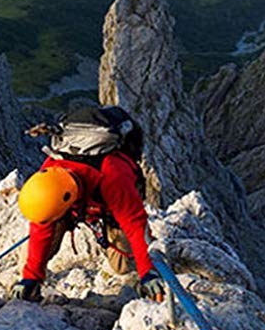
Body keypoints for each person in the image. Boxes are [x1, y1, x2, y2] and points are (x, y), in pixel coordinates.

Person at [10, 106, 165, 304]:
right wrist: (31, 277)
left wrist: (147, 272)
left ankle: (127, 260)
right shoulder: (51, 173)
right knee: (36, 248)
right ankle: (33, 285)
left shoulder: (112, 176)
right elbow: (41, 227)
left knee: (122, 266)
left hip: (108, 210)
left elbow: (135, 224)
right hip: (75, 205)